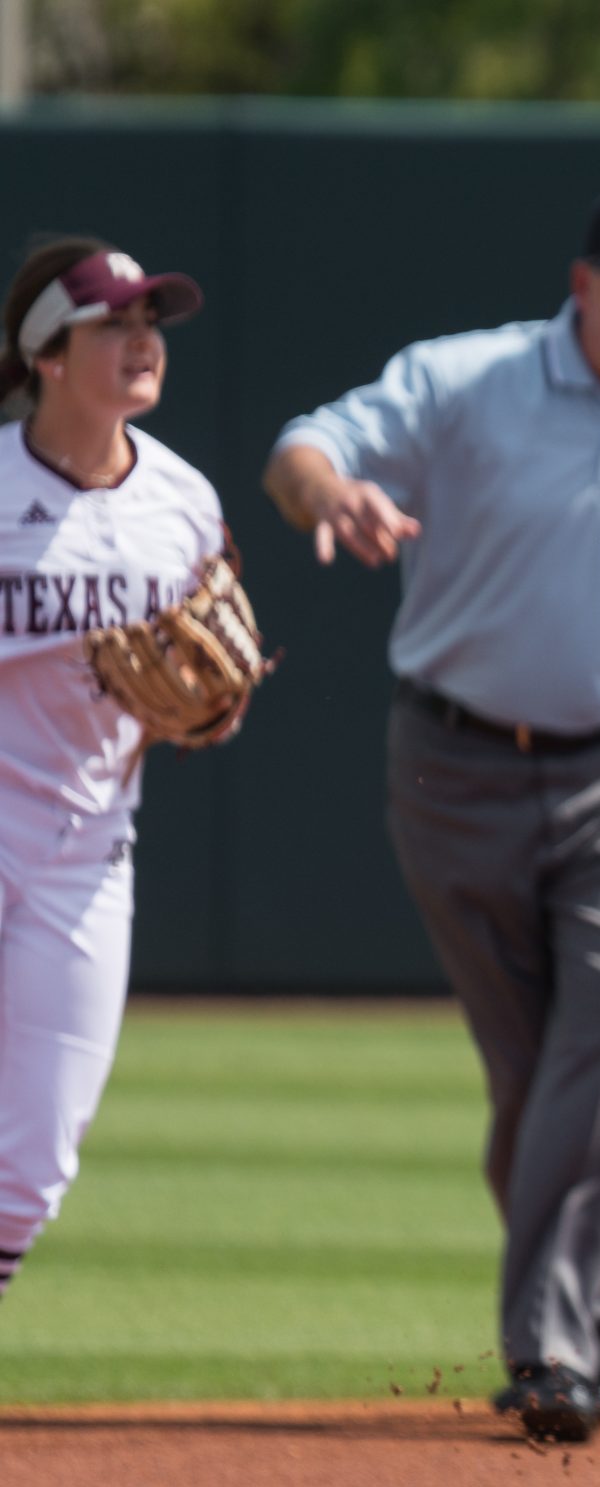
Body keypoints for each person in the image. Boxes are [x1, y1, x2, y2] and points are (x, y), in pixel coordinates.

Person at [262, 180, 600, 1444]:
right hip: (455, 766)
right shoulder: (468, 380)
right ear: (582, 285)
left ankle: (544, 1348)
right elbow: (297, 450)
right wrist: (328, 497)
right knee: (533, 1080)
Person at [0, 239, 225, 1309]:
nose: (142, 340)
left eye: (152, 322)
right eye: (113, 323)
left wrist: (209, 710)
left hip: (86, 853)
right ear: (47, 355)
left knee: (35, 1167)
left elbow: (198, 684)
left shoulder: (182, 503)